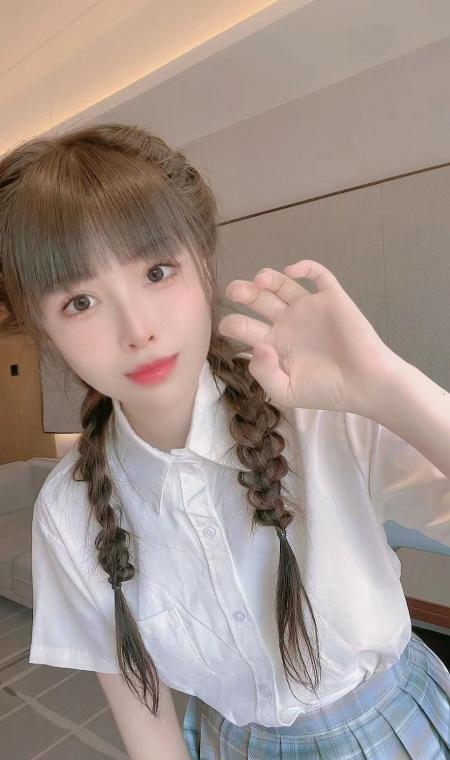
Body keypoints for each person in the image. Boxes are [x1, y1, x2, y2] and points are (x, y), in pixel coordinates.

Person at [0, 122, 449, 760]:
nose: (138, 330)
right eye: (80, 302)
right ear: (44, 330)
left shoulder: (317, 416)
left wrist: (386, 386)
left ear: (203, 266)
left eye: (157, 271)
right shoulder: (68, 513)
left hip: (405, 731)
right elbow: (141, 705)